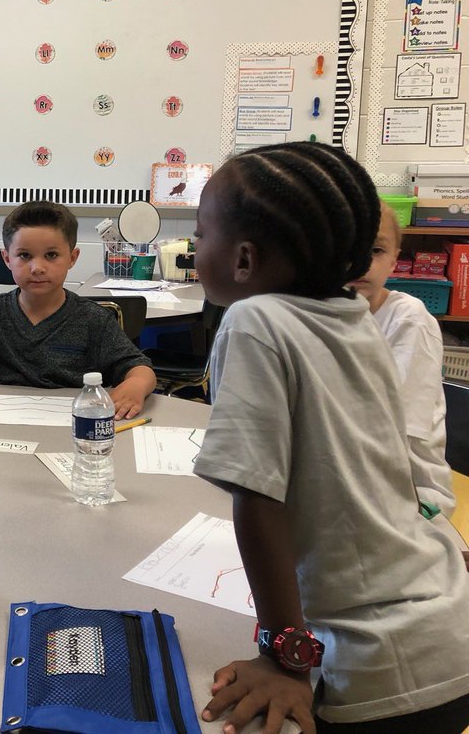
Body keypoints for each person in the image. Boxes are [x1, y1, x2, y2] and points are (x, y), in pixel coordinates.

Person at [189, 143, 469, 734]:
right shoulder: (354, 314)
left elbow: (259, 500)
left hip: (377, 665)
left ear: (243, 258)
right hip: (446, 627)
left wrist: (282, 658)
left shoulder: (254, 320)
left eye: (200, 232)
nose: (195, 249)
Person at [0, 200, 156, 418]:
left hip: (71, 428)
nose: (38, 268)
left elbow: (140, 368)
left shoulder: (94, 319)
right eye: (24, 255)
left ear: (72, 258)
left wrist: (136, 384)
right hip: (0, 424)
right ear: (7, 259)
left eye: (51, 255)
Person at [349, 201, 455, 516]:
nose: (360, 263)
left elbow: (395, 428)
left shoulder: (409, 320)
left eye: (376, 251)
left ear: (395, 260)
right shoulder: (324, 316)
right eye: (346, 249)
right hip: (345, 478)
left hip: (411, 489)